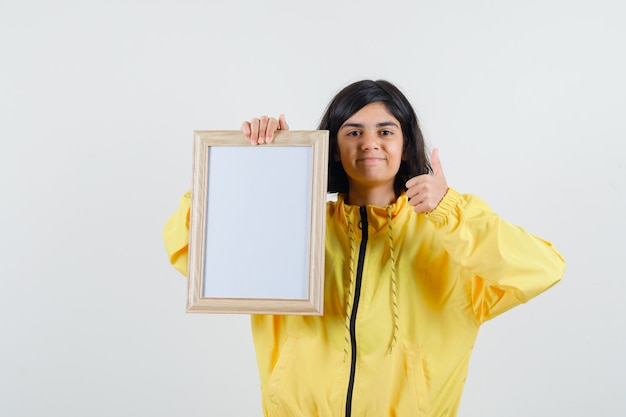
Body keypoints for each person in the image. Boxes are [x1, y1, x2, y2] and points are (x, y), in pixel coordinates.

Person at [163, 79, 565, 417]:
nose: (369, 143)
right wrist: (257, 167)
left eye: (385, 131)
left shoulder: (451, 231)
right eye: (353, 131)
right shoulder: (292, 225)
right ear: (333, 147)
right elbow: (189, 247)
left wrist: (451, 212)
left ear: (406, 145)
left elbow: (542, 269)